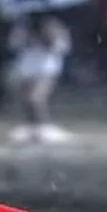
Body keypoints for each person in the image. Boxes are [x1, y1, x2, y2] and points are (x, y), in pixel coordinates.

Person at [10, 14, 72, 143]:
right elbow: (13, 45)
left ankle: (45, 126)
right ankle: (32, 127)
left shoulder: (55, 27)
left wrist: (48, 38)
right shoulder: (22, 26)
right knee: (26, 101)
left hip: (46, 69)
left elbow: (62, 48)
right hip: (26, 69)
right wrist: (24, 36)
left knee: (36, 98)